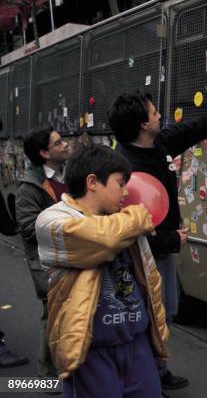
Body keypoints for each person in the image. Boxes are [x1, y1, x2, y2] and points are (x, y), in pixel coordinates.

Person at [108, 92, 207, 390]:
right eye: (153, 113)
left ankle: (157, 370)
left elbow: (186, 131)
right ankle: (145, 380)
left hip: (164, 249)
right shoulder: (125, 170)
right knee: (145, 317)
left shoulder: (157, 143)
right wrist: (170, 239)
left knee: (167, 311)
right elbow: (129, 227)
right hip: (142, 255)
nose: (159, 116)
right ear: (142, 124)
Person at [35, 144, 168, 397]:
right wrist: (140, 216)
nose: (127, 192)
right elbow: (103, 239)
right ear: (93, 182)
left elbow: (151, 281)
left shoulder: (124, 220)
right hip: (90, 350)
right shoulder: (51, 221)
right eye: (120, 183)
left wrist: (157, 340)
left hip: (136, 342)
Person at [15, 126, 70, 379]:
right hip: (48, 264)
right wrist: (68, 223)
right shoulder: (30, 186)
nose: (66, 145)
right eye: (59, 143)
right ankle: (46, 372)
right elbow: (27, 228)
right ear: (44, 153)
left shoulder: (68, 175)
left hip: (74, 257)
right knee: (53, 316)